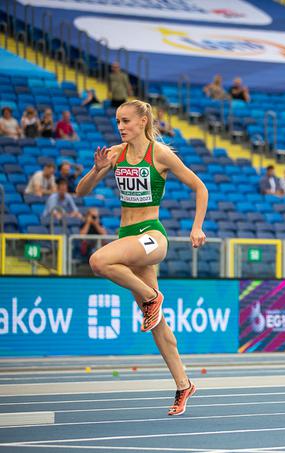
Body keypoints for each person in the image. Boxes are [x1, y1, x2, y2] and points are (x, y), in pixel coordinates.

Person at [75, 99, 208, 416]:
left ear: (142, 121)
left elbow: (200, 188)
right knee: (158, 325)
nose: (120, 126)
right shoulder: (115, 154)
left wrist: (197, 227)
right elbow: (81, 192)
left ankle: (152, 295)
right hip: (128, 237)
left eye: (125, 121)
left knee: (98, 261)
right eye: (117, 121)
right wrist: (97, 169)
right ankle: (183, 385)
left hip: (152, 236)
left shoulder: (160, 154)